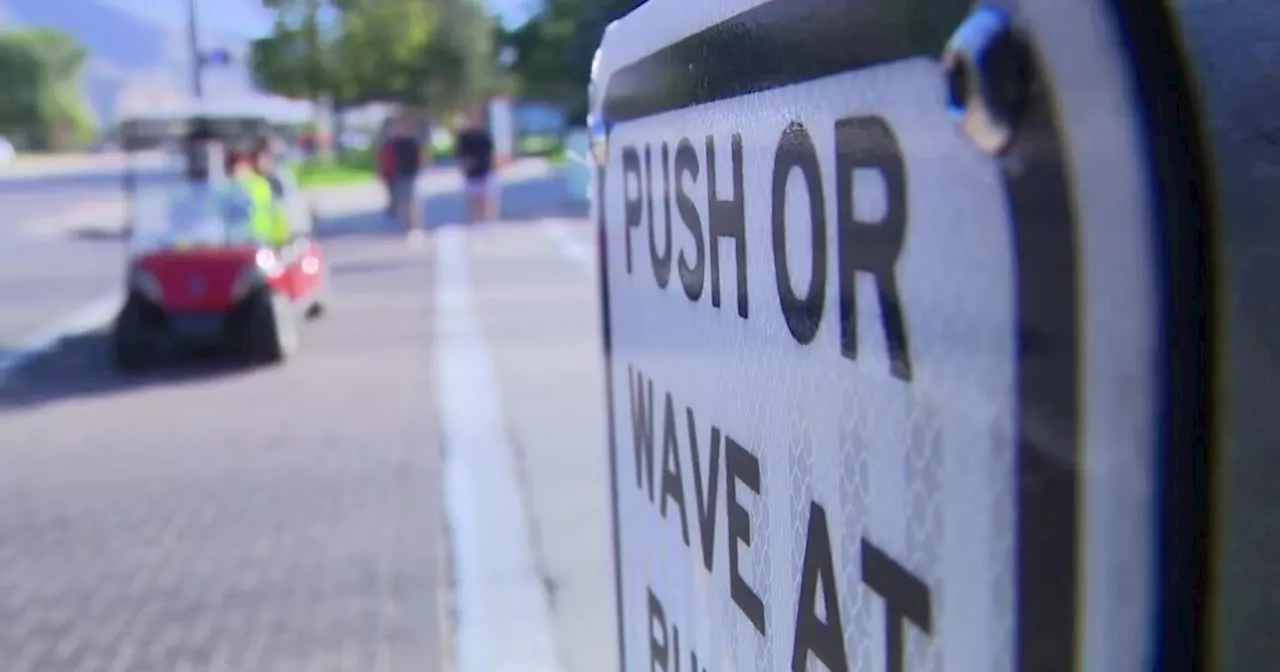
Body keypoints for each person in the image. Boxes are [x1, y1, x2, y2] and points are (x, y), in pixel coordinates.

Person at [226, 148, 291, 247]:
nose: (238, 171)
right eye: (235, 167)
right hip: (236, 239)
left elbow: (273, 211)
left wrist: (281, 238)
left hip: (261, 237)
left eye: (241, 167)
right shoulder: (227, 187)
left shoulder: (260, 184)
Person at [386, 117, 424, 244]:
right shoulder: (394, 144)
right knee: (403, 203)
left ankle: (415, 228)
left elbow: (418, 159)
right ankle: (408, 228)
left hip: (409, 174)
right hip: (398, 175)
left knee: (412, 203)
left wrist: (416, 171)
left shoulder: (411, 142)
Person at [454, 113, 497, 225]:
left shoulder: (485, 135)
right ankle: (475, 222)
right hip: (471, 173)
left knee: (487, 199)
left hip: (485, 171)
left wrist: (494, 167)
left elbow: (491, 152)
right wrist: (464, 164)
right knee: (473, 200)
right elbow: (459, 154)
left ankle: (488, 222)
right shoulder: (464, 137)